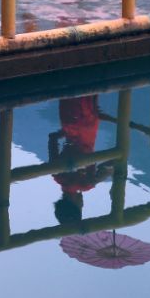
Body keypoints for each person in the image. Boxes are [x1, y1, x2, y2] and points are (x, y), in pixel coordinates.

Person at [50, 95, 113, 224]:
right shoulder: (56, 175)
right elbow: (53, 138)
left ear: (76, 204)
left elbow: (111, 165)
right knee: (73, 91)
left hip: (87, 124)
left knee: (89, 91)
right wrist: (68, 132)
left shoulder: (86, 183)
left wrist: (114, 174)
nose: (83, 204)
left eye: (81, 207)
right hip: (68, 120)